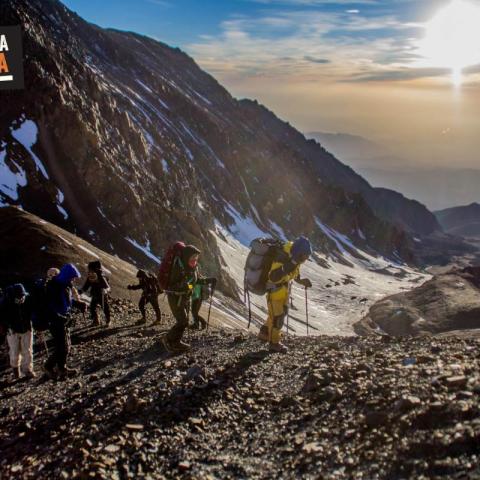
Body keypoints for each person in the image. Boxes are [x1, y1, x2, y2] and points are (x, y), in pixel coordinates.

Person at [258, 236, 313, 353]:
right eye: (305, 255)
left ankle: (264, 333)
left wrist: (302, 280)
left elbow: (294, 273)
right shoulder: (282, 257)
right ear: (299, 252)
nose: (306, 259)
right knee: (278, 317)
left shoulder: (295, 257)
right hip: (274, 291)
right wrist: (290, 264)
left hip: (284, 290)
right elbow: (273, 276)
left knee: (281, 314)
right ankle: (274, 343)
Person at [44, 263, 81, 379]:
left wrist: (78, 304)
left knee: (65, 345)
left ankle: (62, 368)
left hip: (63, 320)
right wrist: (60, 317)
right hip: (56, 321)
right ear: (67, 276)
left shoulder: (64, 285)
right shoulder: (55, 287)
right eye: (72, 277)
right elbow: (49, 307)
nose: (74, 280)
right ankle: (49, 366)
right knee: (62, 346)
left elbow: (66, 302)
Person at [162, 245, 201, 353]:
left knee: (184, 320)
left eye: (196, 258)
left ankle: (176, 341)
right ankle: (169, 340)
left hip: (184, 298)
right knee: (182, 320)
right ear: (187, 257)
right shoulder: (178, 269)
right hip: (176, 298)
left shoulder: (193, 268)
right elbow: (174, 286)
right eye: (192, 258)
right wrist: (187, 285)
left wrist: (209, 281)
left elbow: (194, 282)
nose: (195, 260)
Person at [0, 284, 36, 379]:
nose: (22, 298)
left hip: (27, 328)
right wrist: (7, 327)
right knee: (14, 352)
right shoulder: (6, 303)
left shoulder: (28, 301)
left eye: (23, 295)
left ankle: (28, 370)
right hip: (12, 331)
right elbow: (3, 318)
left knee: (27, 351)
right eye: (19, 296)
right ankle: (16, 371)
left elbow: (33, 313)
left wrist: (35, 323)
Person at [79, 262, 111, 327]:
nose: (89, 271)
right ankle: (96, 321)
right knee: (92, 308)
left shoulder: (101, 277)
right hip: (95, 294)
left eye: (90, 269)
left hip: (102, 295)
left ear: (94, 269)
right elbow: (86, 287)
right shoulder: (90, 277)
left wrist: (105, 290)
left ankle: (108, 320)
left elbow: (108, 287)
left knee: (105, 308)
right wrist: (79, 292)